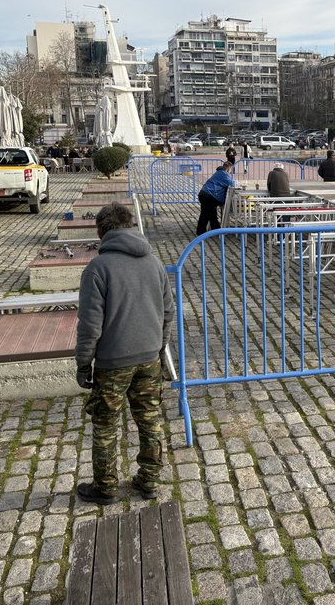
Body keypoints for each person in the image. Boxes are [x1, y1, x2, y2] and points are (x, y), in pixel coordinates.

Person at [75, 202, 175, 504]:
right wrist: (158, 348)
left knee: (106, 426)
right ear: (131, 226)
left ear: (101, 231)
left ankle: (105, 487)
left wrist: (83, 363)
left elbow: (90, 324)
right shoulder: (154, 263)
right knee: (150, 420)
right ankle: (149, 480)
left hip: (112, 362)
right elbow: (168, 312)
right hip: (148, 356)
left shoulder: (97, 268)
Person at [197, 161, 236, 234]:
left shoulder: (218, 173)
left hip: (204, 193)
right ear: (229, 169)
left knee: (211, 213)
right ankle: (200, 231)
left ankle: (215, 229)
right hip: (210, 195)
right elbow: (232, 184)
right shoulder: (224, 174)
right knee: (205, 214)